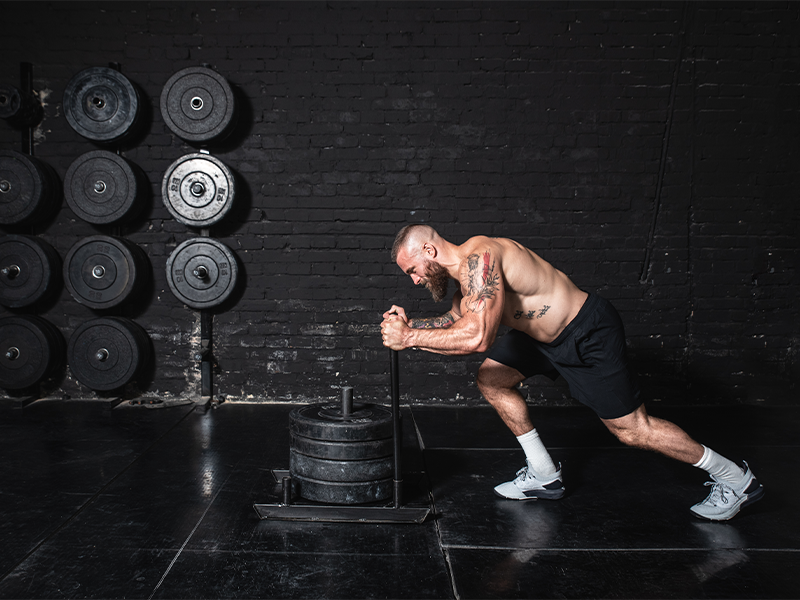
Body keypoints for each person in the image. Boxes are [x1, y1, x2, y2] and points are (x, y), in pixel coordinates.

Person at [380, 224, 764, 521]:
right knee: (491, 379)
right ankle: (545, 475)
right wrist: (408, 328)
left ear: (429, 250)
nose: (414, 279)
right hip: (541, 340)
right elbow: (453, 324)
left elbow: (478, 336)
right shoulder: (465, 289)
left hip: (586, 331)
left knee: (632, 430)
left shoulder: (482, 256)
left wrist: (408, 338)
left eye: (413, 270)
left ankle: (735, 479)